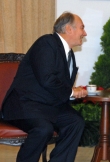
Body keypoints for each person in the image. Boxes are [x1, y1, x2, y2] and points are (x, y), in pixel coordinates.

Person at [1, 11, 87, 162]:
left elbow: (60, 88)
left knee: (75, 122)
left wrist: (74, 93)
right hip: (25, 104)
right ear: (69, 29)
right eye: (82, 28)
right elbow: (47, 79)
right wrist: (72, 92)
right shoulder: (46, 43)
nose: (84, 33)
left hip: (48, 107)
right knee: (43, 129)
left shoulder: (69, 54)